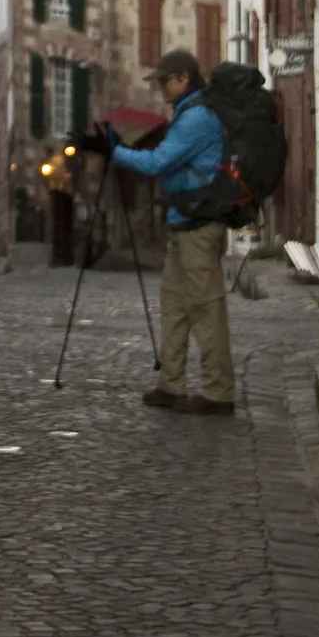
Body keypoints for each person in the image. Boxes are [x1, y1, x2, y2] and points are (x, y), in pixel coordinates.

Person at [100, 49, 236, 415]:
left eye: (164, 81)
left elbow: (158, 161)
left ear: (183, 78)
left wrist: (116, 152)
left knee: (206, 309)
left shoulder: (195, 119)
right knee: (174, 304)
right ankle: (171, 383)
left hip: (199, 224)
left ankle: (218, 391)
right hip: (185, 220)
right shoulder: (188, 114)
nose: (160, 88)